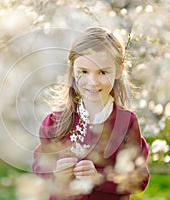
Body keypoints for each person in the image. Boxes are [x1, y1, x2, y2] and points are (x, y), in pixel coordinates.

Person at [32, 27, 150, 200]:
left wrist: (100, 178)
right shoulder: (56, 120)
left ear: (119, 71)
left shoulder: (126, 123)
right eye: (84, 72)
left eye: (103, 72)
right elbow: (39, 163)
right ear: (73, 70)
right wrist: (55, 171)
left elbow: (139, 179)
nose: (92, 81)